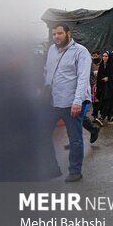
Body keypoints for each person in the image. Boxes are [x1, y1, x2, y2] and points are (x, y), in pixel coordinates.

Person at [44, 24, 92, 182]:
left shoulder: (81, 52)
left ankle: (75, 170)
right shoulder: (51, 50)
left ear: (68, 34)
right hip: (53, 101)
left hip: (71, 102)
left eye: (59, 33)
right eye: (54, 34)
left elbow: (83, 78)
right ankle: (52, 168)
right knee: (42, 134)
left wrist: (77, 101)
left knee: (75, 138)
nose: (56, 36)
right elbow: (48, 72)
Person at [96, 51, 113, 124]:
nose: (104, 58)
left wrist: (109, 78)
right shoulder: (102, 65)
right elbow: (100, 76)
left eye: (106, 56)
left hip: (111, 87)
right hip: (104, 87)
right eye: (103, 56)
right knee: (109, 102)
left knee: (107, 101)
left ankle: (102, 117)